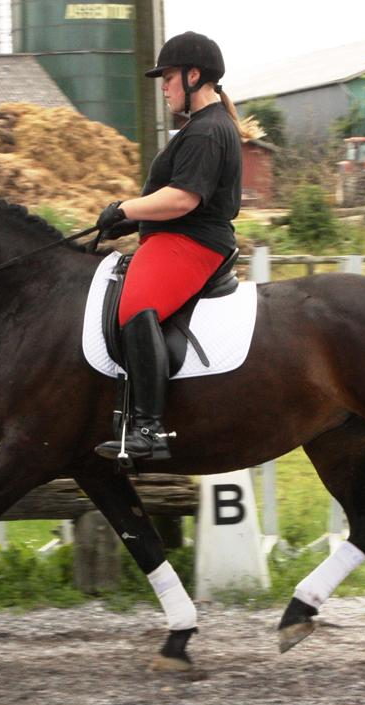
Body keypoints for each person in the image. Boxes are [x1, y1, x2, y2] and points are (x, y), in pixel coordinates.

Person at [93, 30, 244, 463]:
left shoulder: (207, 131)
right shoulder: (201, 127)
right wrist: (134, 219)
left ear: (194, 76)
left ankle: (149, 429)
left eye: (169, 77)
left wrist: (125, 207)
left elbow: (184, 198)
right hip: (178, 236)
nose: (163, 86)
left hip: (192, 243)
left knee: (135, 306)